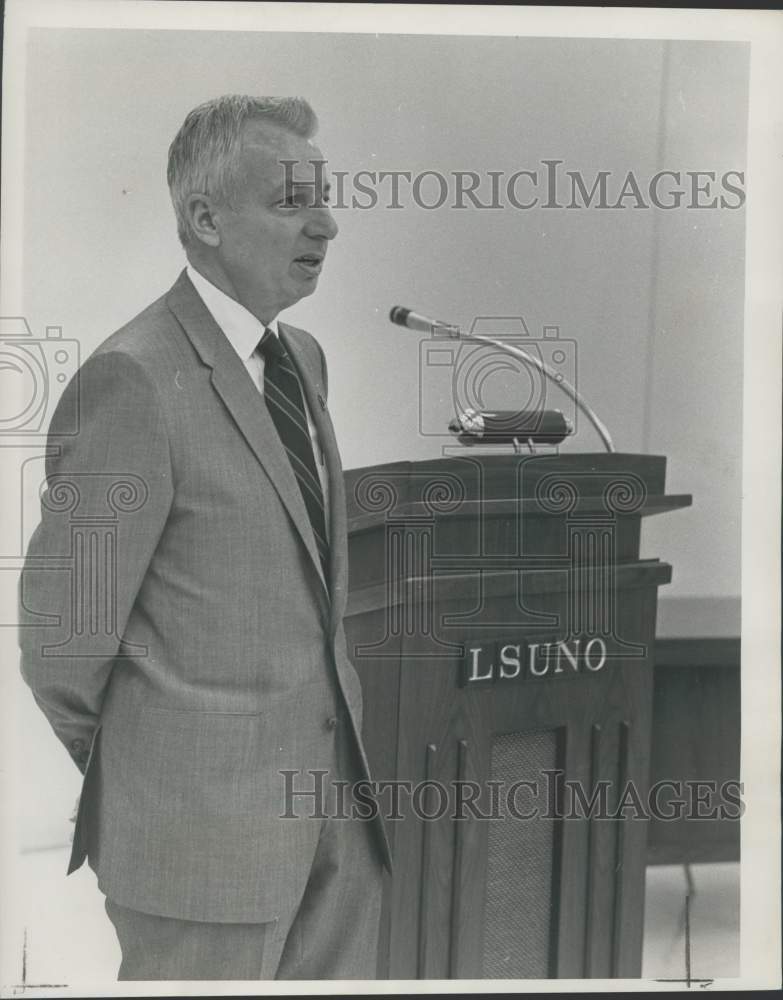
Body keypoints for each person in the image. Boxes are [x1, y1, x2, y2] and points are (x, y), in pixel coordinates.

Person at [18, 94, 390, 981]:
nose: (327, 224)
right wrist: (162, 770)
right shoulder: (132, 378)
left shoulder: (302, 358)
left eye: (325, 199)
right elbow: (63, 644)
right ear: (205, 217)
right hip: (199, 853)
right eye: (293, 200)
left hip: (338, 831)